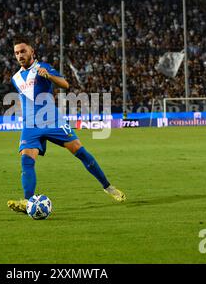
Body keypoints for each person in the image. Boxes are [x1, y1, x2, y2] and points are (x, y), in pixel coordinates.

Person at [7, 36, 126, 214]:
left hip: (53, 120)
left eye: (23, 51)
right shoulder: (15, 78)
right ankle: (27, 201)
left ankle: (108, 187)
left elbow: (65, 84)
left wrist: (49, 76)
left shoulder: (43, 67)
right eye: (17, 53)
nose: (20, 55)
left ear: (32, 51)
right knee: (26, 161)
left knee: (81, 153)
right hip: (30, 125)